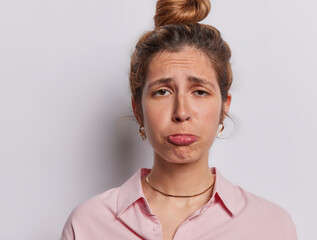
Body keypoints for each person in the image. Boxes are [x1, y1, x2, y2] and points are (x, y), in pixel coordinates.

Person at [61, 0, 297, 239]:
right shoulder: (87, 224)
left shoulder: (270, 226)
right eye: (162, 91)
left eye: (200, 92)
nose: (181, 112)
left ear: (224, 109)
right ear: (138, 110)